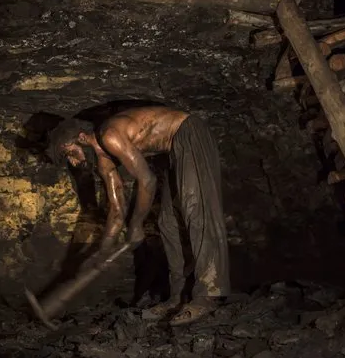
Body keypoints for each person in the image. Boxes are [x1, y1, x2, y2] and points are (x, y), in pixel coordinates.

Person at [47, 106, 230, 325]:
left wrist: (136, 225)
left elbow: (148, 180)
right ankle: (178, 296)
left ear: (82, 137)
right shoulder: (104, 162)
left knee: (196, 209)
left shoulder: (110, 135)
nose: (73, 162)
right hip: (173, 152)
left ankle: (208, 294)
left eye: (69, 153)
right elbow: (116, 211)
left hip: (188, 133)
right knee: (168, 223)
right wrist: (103, 251)